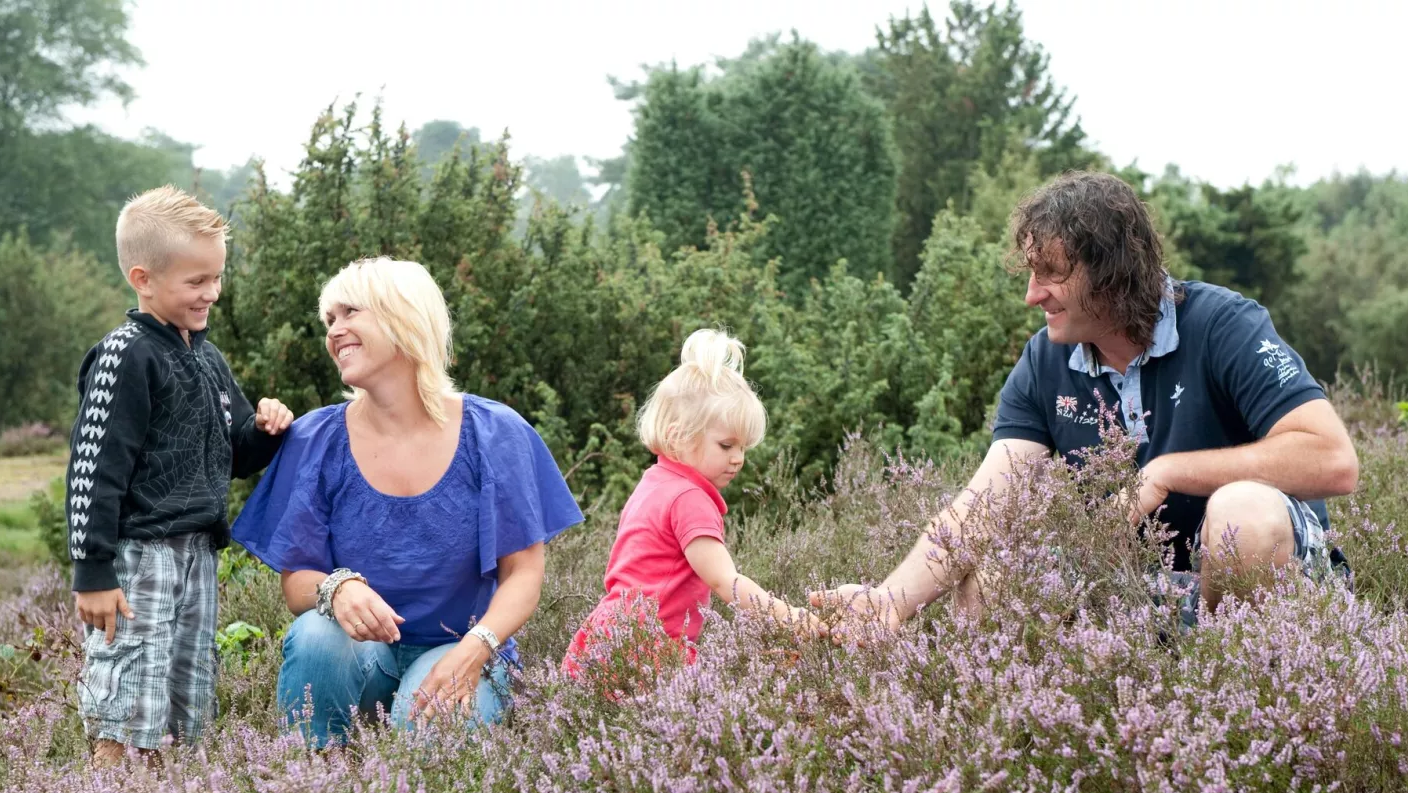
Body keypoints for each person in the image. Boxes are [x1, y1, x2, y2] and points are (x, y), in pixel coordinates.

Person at [812, 170, 1360, 630]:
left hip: (1282, 588)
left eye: (1050, 273)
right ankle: (1029, 739)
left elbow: (1333, 461)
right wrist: (887, 604)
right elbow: (982, 507)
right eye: (1031, 273)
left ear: (1113, 273)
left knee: (1245, 512)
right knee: (996, 572)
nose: (1032, 294)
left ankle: (1245, 693)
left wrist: (1167, 471)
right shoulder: (1045, 362)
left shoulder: (1223, 325)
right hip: (1141, 590)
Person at [232, 256, 583, 748]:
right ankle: (316, 777)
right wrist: (338, 588)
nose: (335, 331)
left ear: (404, 317)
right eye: (329, 320)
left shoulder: (495, 433)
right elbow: (296, 585)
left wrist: (476, 648)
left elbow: (523, 574)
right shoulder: (316, 438)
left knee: (426, 742)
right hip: (361, 652)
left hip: (460, 646)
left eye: (351, 312)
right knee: (315, 633)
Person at [68, 186, 295, 770]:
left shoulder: (207, 358)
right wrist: (92, 569)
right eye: (196, 281)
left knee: (182, 709)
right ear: (143, 278)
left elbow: (235, 455)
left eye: (216, 278)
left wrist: (267, 430)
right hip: (138, 556)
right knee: (127, 706)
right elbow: (94, 468)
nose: (212, 292)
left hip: (197, 551)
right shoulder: (124, 355)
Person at [564, 329, 823, 680]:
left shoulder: (654, 482)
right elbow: (724, 581)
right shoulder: (689, 499)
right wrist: (789, 617)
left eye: (743, 447)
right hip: (646, 650)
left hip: (606, 637)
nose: (738, 459)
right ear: (677, 435)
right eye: (726, 445)